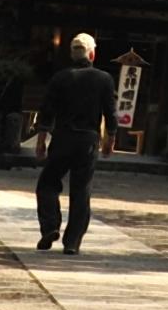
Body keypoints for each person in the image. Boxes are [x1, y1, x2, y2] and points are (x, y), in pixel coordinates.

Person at [35, 33, 114, 253]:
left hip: (63, 138)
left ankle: (50, 226)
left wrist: (41, 140)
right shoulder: (104, 79)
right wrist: (110, 137)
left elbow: (47, 111)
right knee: (81, 190)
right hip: (88, 140)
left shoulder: (60, 78)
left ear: (72, 54)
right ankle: (72, 242)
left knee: (48, 183)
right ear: (92, 54)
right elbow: (110, 111)